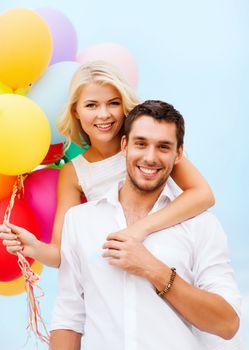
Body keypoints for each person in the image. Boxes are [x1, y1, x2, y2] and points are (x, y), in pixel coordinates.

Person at [50, 100, 241, 350]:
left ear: (179, 153)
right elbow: (68, 317)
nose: (150, 158)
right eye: (141, 144)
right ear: (125, 145)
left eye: (163, 147)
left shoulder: (202, 226)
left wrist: (153, 269)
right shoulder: (80, 221)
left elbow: (227, 324)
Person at [0, 61, 214, 268]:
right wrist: (35, 247)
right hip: (125, 271)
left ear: (124, 105)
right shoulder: (74, 173)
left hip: (178, 256)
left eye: (113, 103)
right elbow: (60, 254)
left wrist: (141, 228)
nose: (104, 114)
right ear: (76, 111)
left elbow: (203, 195)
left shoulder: (146, 141)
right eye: (91, 105)